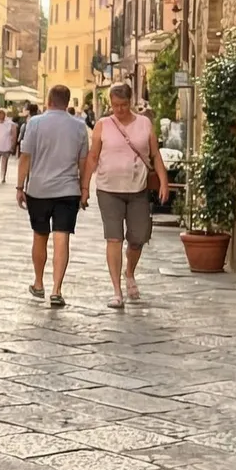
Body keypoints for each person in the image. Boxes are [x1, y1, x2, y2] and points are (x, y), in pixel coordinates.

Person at [83, 83, 169, 308]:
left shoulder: (144, 124)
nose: (119, 110)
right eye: (115, 105)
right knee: (114, 238)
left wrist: (163, 182)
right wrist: (84, 188)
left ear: (131, 102)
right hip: (108, 189)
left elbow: (155, 154)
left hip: (138, 189)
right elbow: (93, 157)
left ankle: (129, 272)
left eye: (123, 105)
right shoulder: (103, 125)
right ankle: (116, 291)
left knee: (138, 238)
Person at [16, 85, 90, 308]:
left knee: (40, 236)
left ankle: (39, 283)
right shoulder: (79, 126)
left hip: (39, 189)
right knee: (62, 237)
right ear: (67, 102)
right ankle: (57, 289)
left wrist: (20, 187)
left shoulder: (35, 123)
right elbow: (84, 161)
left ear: (48, 100)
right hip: (68, 190)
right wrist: (84, 189)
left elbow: (25, 157)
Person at [0, 107, 18, 185]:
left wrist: (12, 146)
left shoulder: (10, 124)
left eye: (1, 114)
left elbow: (13, 135)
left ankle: (3, 177)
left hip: (6, 146)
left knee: (4, 162)